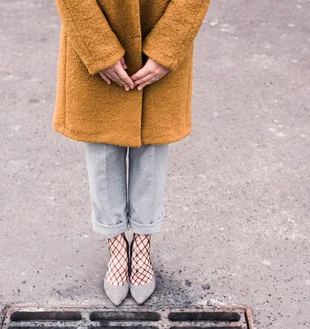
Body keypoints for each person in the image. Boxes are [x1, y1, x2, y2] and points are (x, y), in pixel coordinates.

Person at [53, 0, 211, 306]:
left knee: (153, 144)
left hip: (160, 23)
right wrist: (99, 49)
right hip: (97, 26)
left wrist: (168, 47)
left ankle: (141, 244)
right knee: (101, 142)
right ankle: (115, 244)